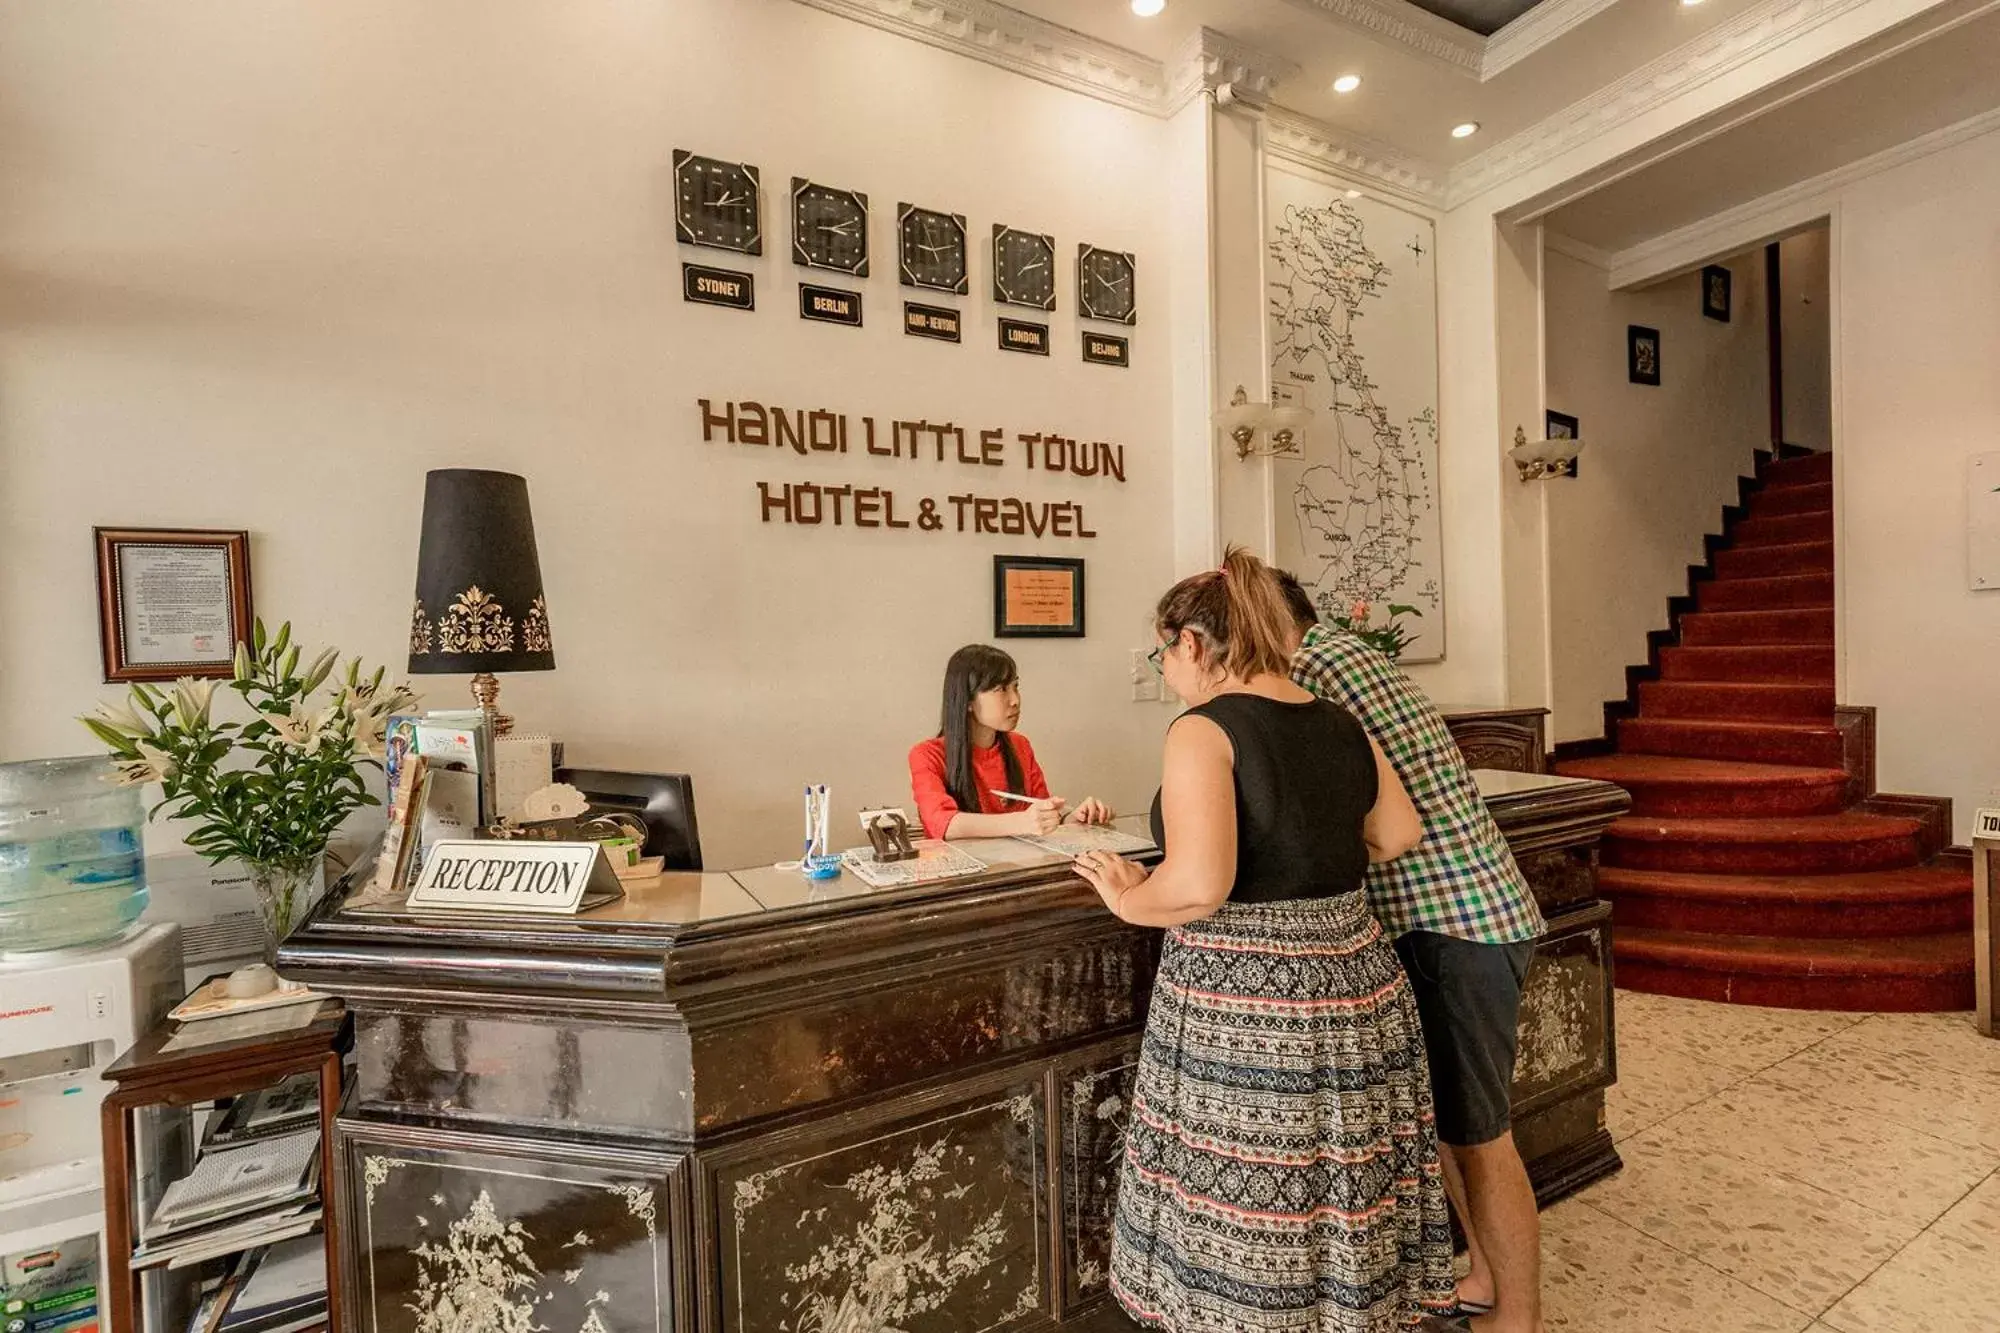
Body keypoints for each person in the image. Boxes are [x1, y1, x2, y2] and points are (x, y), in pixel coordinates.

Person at [1071, 548, 1457, 1333]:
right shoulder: (1338, 719)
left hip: (1246, 999)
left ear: (1191, 644)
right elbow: (1397, 830)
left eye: (1162, 652)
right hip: (1356, 976)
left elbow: (1199, 883)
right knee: (1342, 1183)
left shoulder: (1203, 730)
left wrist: (1125, 895)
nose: (1165, 671)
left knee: (1251, 1203)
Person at [1277, 571, 1547, 1333]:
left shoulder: (1312, 671)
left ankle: (1518, 1316)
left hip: (1454, 924)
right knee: (1454, 1126)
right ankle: (1489, 1276)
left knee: (1483, 1136)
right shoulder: (1350, 654)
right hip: (1464, 917)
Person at [908, 643, 1113, 840]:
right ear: (968, 701)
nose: (1015, 700)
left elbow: (1040, 812)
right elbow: (942, 824)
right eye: (1001, 689)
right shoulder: (926, 754)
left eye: (1015, 686)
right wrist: (1022, 822)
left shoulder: (1020, 745)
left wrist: (1072, 818)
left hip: (1019, 866)